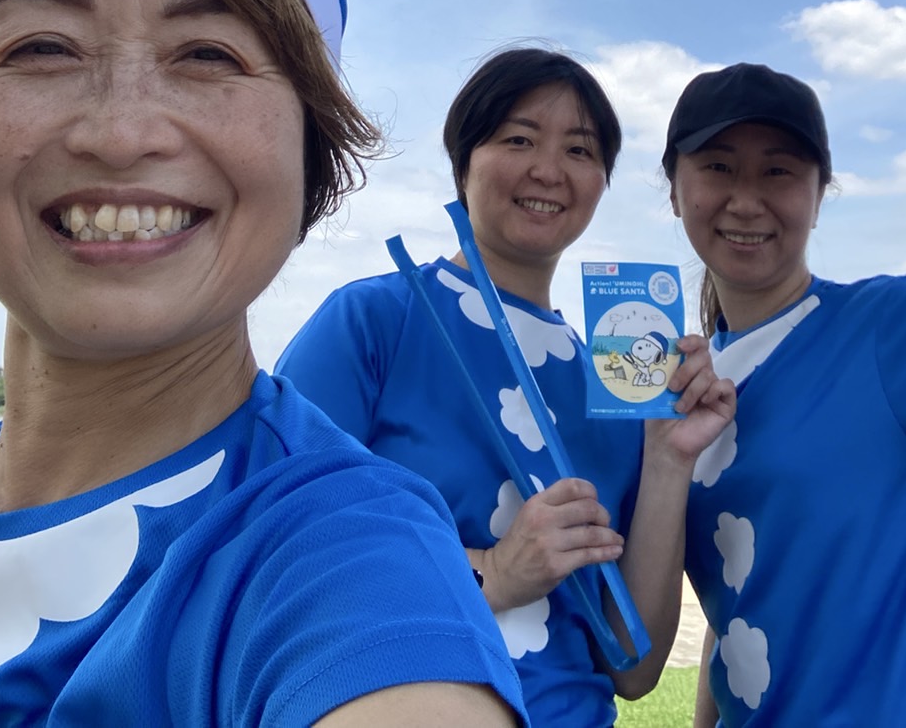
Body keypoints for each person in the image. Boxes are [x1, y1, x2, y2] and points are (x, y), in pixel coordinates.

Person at [0, 0, 528, 727]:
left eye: (210, 55)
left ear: (312, 158)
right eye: (43, 46)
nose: (121, 132)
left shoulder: (348, 558)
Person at [278, 47, 737, 726]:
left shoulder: (616, 386)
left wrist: (669, 457)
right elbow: (278, 543)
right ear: (464, 161)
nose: (548, 170)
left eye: (579, 150)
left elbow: (634, 669)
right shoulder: (376, 319)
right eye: (519, 139)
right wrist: (491, 573)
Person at [663, 0, 906, 728]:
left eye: (779, 171)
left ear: (820, 194)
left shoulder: (890, 326)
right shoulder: (683, 391)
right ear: (674, 188)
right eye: (719, 166)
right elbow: (736, 604)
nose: (746, 200)